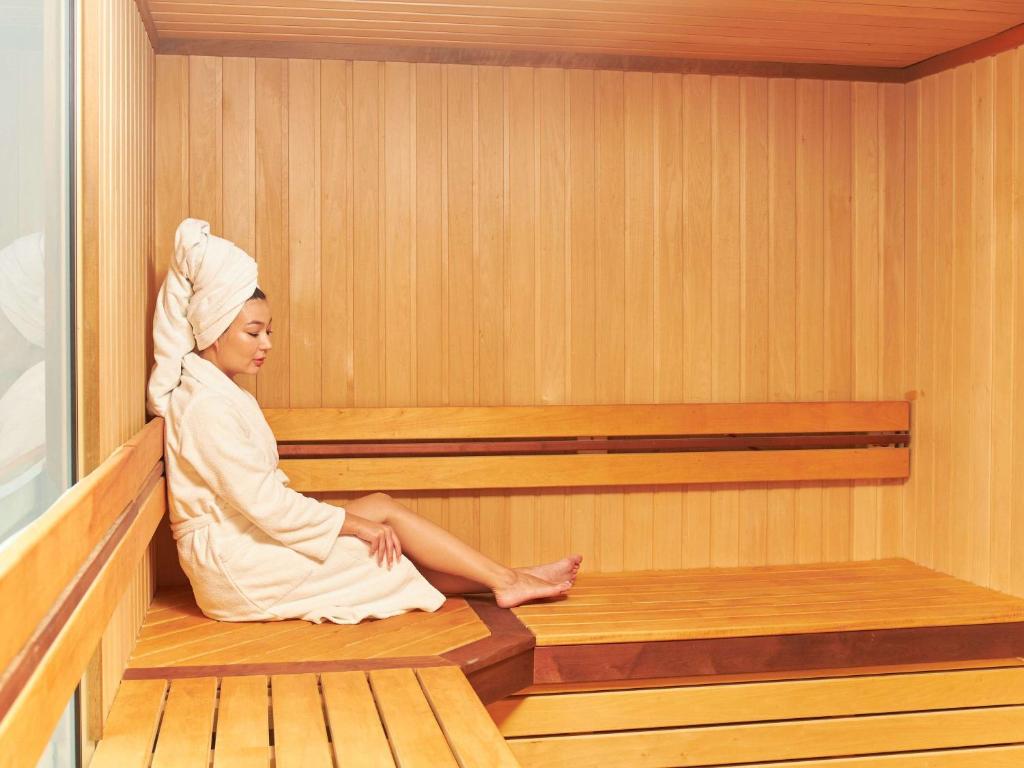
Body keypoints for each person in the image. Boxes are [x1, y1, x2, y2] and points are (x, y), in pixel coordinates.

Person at [147, 218, 580, 623]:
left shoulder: (218, 393)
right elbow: (268, 506)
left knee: (381, 506)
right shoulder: (205, 406)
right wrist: (356, 527)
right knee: (371, 549)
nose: (266, 344)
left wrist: (361, 521)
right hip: (237, 566)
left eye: (268, 332)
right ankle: (507, 579)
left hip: (252, 535)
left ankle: (508, 576)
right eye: (253, 332)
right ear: (214, 330)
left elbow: (265, 505)